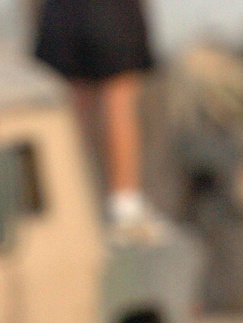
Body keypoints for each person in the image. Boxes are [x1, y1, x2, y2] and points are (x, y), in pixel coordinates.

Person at [32, 0, 156, 231]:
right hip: (111, 11)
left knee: (74, 106)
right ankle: (124, 203)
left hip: (61, 11)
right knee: (118, 97)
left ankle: (77, 197)